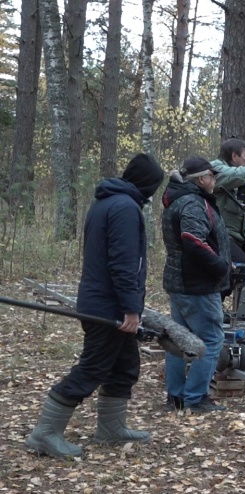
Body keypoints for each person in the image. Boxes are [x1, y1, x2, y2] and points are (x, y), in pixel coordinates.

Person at [25, 154, 165, 458]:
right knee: (93, 367)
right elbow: (124, 264)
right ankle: (45, 434)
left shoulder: (107, 201)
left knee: (125, 366)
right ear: (147, 184)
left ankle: (111, 428)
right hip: (108, 306)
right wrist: (130, 309)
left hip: (102, 300)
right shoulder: (125, 208)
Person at [161, 156, 231, 413]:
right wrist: (220, 267)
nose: (214, 181)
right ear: (201, 179)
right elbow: (193, 241)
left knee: (179, 339)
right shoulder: (192, 203)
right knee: (211, 340)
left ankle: (177, 397)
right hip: (196, 285)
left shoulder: (181, 199)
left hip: (181, 282)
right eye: (212, 176)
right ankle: (195, 398)